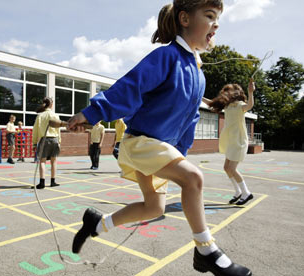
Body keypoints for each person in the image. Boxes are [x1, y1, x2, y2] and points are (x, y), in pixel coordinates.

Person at [67, 1, 251, 275]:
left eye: (218, 18)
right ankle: (206, 250)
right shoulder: (167, 57)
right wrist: (93, 112)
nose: (216, 23)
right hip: (141, 142)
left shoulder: (198, 75)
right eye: (210, 16)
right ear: (185, 19)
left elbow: (189, 120)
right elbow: (132, 86)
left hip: (160, 148)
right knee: (194, 178)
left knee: (153, 208)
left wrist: (180, 155)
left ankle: (97, 223)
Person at [202, 80, 255, 205]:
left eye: (228, 92)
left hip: (239, 141)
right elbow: (210, 103)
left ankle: (246, 192)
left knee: (232, 168)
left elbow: (249, 106)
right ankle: (238, 192)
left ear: (235, 93)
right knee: (226, 168)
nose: (225, 94)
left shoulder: (240, 105)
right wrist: (199, 95)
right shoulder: (227, 106)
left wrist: (251, 92)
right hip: (231, 141)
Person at [32, 97, 62, 189]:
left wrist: (34, 143)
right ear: (51, 104)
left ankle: (42, 182)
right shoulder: (55, 115)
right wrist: (59, 141)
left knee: (42, 161)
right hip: (54, 139)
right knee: (54, 161)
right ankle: (53, 181)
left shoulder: (40, 116)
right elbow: (58, 129)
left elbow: (35, 130)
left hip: (44, 139)